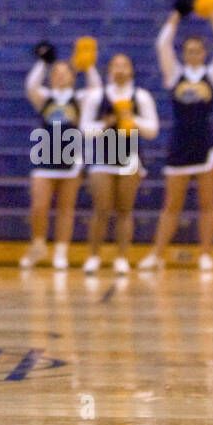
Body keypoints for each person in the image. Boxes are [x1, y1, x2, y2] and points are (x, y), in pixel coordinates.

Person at [140, 0, 213, 273]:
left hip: (205, 143)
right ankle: (158, 255)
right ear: (184, 54)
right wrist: (176, 17)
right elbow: (162, 44)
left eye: (198, 51)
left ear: (205, 53)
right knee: (171, 204)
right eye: (189, 51)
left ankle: (206, 255)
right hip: (180, 143)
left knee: (207, 202)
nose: (193, 54)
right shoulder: (174, 75)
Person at [22, 38, 101, 270]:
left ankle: (61, 251)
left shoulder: (80, 100)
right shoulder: (44, 98)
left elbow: (96, 90)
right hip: (45, 158)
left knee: (66, 208)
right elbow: (30, 86)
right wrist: (43, 62)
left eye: (65, 72)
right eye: (56, 72)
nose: (60, 75)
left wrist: (89, 66)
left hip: (70, 159)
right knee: (39, 205)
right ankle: (38, 245)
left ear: (73, 77)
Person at [80, 53, 159, 275]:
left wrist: (131, 120)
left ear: (131, 70)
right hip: (102, 158)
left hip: (129, 158)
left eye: (125, 65)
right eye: (116, 65)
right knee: (101, 210)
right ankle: (94, 257)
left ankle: (121, 258)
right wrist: (107, 124)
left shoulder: (141, 96)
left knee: (125, 210)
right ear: (109, 70)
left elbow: (153, 130)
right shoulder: (97, 96)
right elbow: (84, 129)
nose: (120, 69)